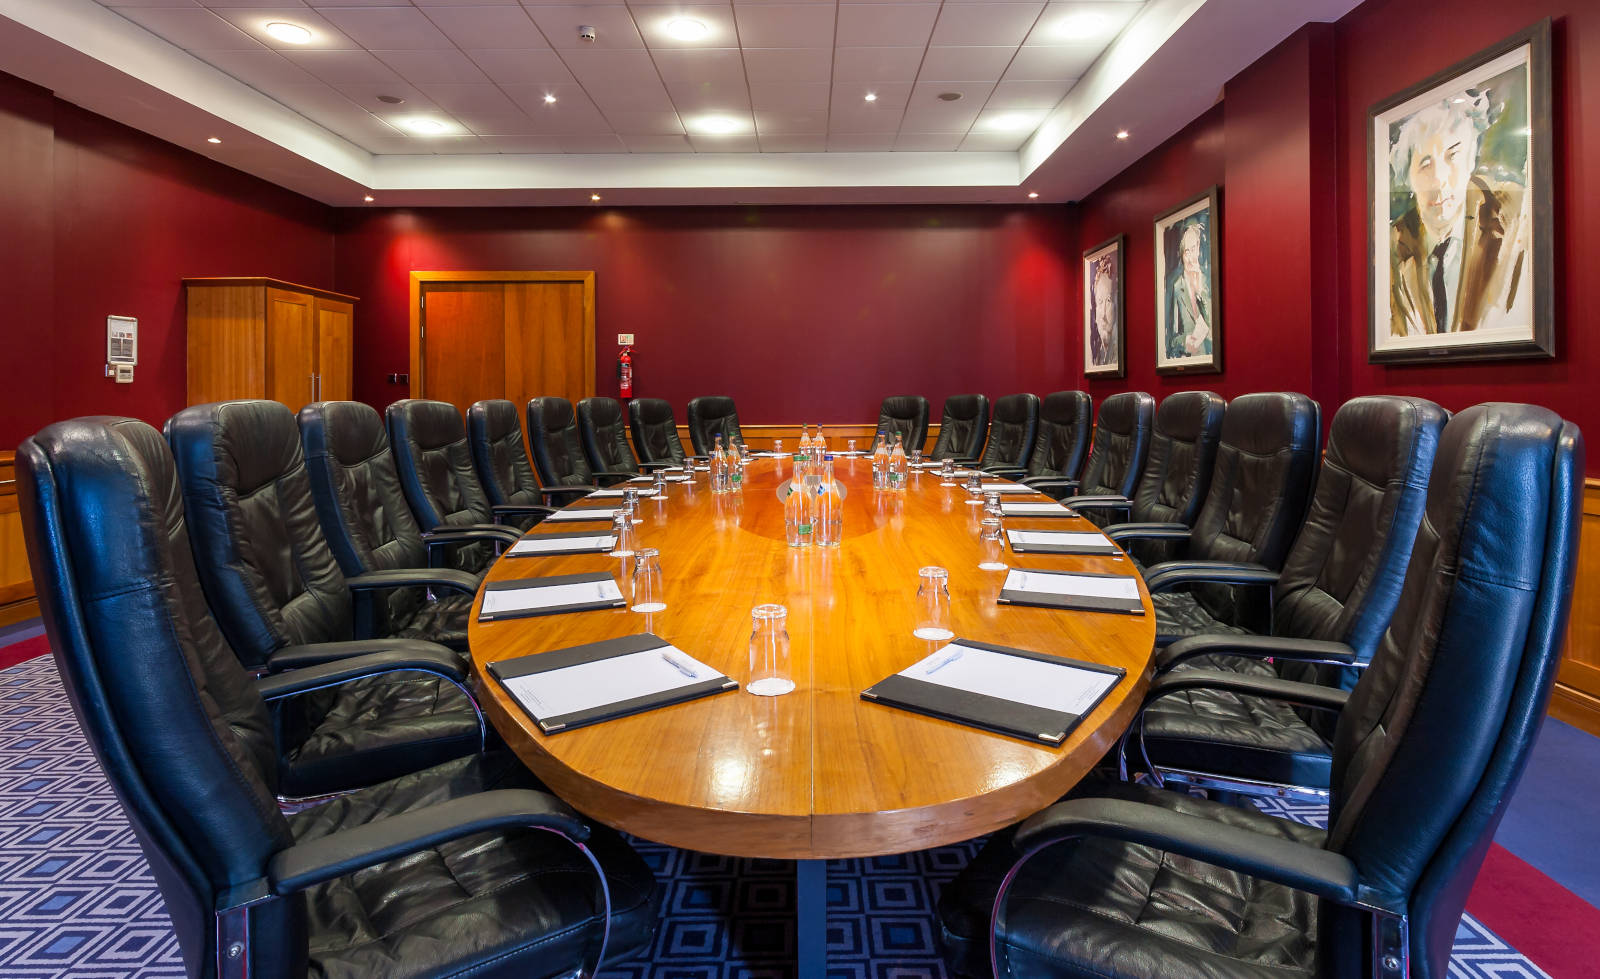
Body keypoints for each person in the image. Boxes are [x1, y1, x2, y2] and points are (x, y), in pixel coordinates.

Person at [1388, 90, 1530, 336]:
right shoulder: (1392, 245)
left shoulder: (1517, 217)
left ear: (1471, 158)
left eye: (1452, 155)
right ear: (1407, 175)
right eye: (1424, 164)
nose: (1439, 180)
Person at [1165, 222, 1212, 360]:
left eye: (1193, 249)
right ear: (1181, 254)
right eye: (1187, 251)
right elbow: (1170, 339)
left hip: (1210, 358)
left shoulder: (1207, 282)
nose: (1191, 258)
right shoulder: (1176, 287)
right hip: (1189, 359)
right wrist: (1185, 340)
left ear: (1198, 248)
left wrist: (1199, 290)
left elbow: (1215, 326)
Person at [1089, 256, 1118, 367]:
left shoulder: (1117, 351)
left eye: (1109, 301)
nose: (1104, 314)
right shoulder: (1096, 354)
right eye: (1100, 302)